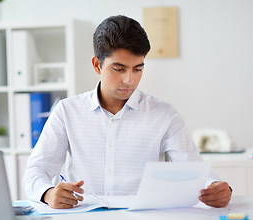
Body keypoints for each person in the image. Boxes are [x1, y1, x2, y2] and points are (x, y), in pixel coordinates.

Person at [22, 15, 232, 209]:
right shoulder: (67, 111)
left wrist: (216, 187)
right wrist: (48, 193)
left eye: (137, 69)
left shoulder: (165, 115)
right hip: (84, 218)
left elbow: (192, 170)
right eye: (119, 69)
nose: (129, 80)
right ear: (97, 65)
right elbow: (35, 171)